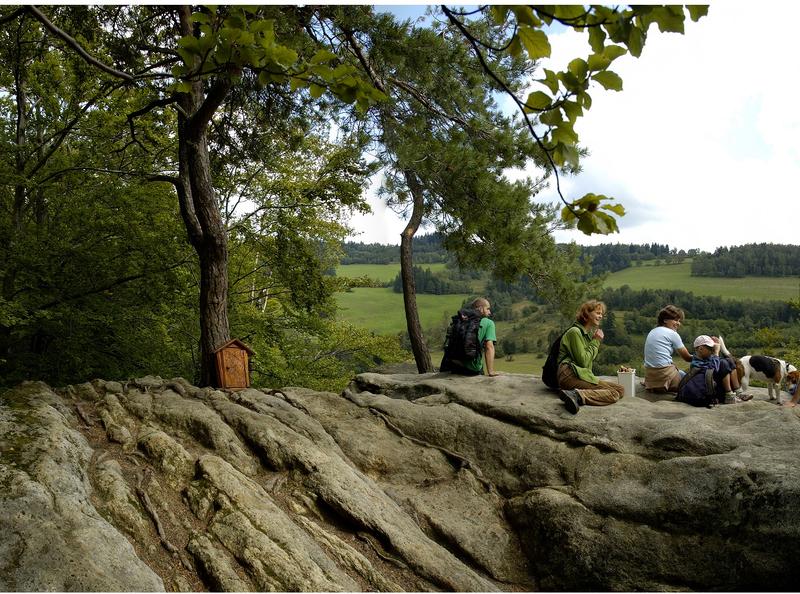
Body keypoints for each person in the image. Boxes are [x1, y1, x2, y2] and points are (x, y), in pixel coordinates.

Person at [557, 299, 624, 414]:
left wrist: (593, 340)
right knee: (613, 394)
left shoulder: (586, 335)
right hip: (569, 374)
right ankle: (577, 395)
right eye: (598, 313)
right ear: (587, 314)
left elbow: (586, 362)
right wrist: (596, 341)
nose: (601, 316)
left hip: (578, 374)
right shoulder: (575, 332)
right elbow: (583, 361)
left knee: (620, 389)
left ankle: (576, 393)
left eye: (601, 314)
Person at [679, 335, 753, 405]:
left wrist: (716, 348)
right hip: (708, 390)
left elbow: (718, 365)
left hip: (713, 386)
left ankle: (738, 392)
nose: (712, 351)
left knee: (729, 361)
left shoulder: (707, 357)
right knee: (723, 363)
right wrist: (716, 353)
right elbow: (712, 370)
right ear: (700, 349)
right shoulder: (696, 362)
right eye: (710, 348)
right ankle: (729, 396)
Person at [439, 297, 499, 377]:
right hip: (470, 369)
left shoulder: (460, 320)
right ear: (481, 308)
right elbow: (489, 347)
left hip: (451, 364)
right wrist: (491, 371)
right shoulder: (489, 323)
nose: (489, 312)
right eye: (487, 309)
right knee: (479, 369)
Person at [643, 305, 692, 393]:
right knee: (690, 378)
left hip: (651, 378)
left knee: (679, 372)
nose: (678, 323)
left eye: (679, 321)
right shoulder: (672, 334)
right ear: (665, 320)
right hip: (664, 377)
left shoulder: (653, 331)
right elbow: (687, 358)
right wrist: (703, 357)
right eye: (675, 320)